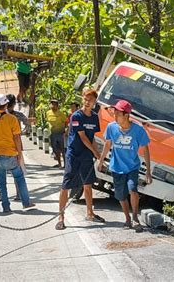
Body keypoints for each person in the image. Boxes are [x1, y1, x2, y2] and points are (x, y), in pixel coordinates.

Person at [98, 100, 152, 232]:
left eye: (118, 113)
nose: (115, 115)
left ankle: (135, 217)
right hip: (116, 168)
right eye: (114, 112)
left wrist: (148, 172)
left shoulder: (138, 130)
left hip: (132, 167)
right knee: (120, 196)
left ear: (126, 115)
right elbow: (108, 144)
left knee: (132, 189)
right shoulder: (111, 127)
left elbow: (145, 150)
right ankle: (127, 218)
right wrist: (100, 160)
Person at [55, 89, 104, 230]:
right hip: (74, 155)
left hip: (87, 155)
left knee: (88, 185)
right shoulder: (76, 116)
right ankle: (61, 217)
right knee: (65, 186)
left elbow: (91, 137)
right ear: (82, 99)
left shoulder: (94, 117)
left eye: (91, 100)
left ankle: (90, 213)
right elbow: (82, 137)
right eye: (85, 99)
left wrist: (98, 154)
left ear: (95, 102)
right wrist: (95, 151)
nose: (88, 102)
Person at [0, 94, 35, 212]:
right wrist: (19, 154)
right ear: (6, 105)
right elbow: (16, 137)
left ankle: (6, 207)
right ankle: (26, 203)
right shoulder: (12, 119)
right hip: (10, 153)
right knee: (19, 178)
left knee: (1, 182)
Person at [0, 94, 29, 202]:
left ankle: (1, 194)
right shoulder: (17, 115)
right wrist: (24, 131)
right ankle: (19, 194)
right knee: (17, 172)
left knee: (1, 172)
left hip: (0, 146)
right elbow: (27, 123)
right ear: (14, 104)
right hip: (15, 146)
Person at [46, 100, 67, 168]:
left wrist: (65, 131)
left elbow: (66, 122)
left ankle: (65, 164)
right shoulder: (48, 113)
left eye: (55, 104)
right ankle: (59, 164)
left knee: (63, 149)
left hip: (60, 133)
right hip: (52, 134)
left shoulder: (60, 113)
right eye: (52, 104)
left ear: (57, 106)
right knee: (55, 149)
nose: (53, 106)